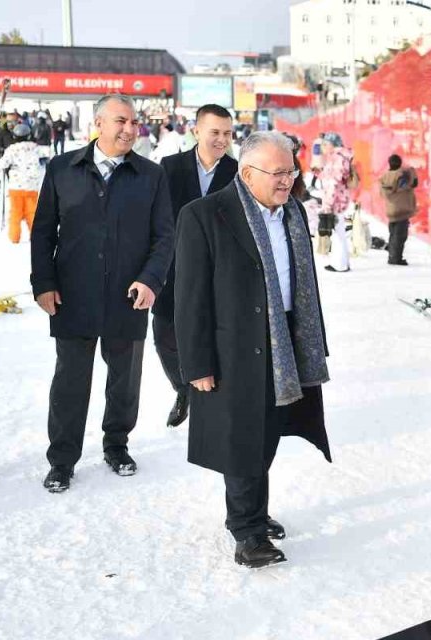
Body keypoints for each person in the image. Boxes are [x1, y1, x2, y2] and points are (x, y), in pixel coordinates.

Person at [175, 131, 332, 568]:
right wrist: (197, 363)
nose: (288, 181)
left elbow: (304, 283)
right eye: (278, 173)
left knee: (266, 434)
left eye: (291, 171)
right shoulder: (205, 215)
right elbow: (189, 298)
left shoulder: (293, 213)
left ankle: (255, 513)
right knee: (242, 439)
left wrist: (313, 340)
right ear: (247, 173)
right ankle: (247, 531)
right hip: (233, 348)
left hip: (285, 342)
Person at [29, 94, 174, 493]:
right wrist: (43, 283)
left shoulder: (151, 175)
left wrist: (151, 279)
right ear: (99, 122)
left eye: (134, 122)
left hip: (129, 295)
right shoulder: (63, 169)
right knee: (70, 381)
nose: (130, 129)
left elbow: (165, 236)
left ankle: (117, 445)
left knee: (125, 380)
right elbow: (43, 232)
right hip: (72, 294)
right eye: (121, 121)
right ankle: (61, 460)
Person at [154, 104, 238, 428]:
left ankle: (211, 397)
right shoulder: (170, 167)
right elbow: (156, 217)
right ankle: (183, 387)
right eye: (215, 132)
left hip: (219, 270)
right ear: (197, 131)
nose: (221, 139)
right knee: (164, 336)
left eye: (227, 133)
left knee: (214, 334)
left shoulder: (237, 171)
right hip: (173, 266)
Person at [0, 123, 49, 244]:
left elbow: (3, 163)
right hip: (32, 186)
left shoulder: (12, 149)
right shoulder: (36, 148)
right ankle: (35, 235)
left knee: (15, 213)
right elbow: (48, 152)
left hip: (16, 187)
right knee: (32, 212)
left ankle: (14, 236)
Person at [315, 132, 356, 273]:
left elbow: (333, 183)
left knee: (338, 234)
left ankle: (340, 264)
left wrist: (328, 206)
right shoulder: (341, 157)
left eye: (325, 144)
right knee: (339, 233)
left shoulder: (336, 158)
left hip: (335, 202)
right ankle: (341, 262)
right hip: (340, 199)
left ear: (332, 144)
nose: (323, 147)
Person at [379, 153, 418, 266]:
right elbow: (414, 182)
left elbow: (382, 193)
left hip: (391, 210)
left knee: (393, 235)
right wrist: (410, 169)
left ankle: (392, 256)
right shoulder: (403, 175)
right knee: (400, 236)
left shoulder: (385, 176)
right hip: (403, 210)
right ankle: (396, 259)